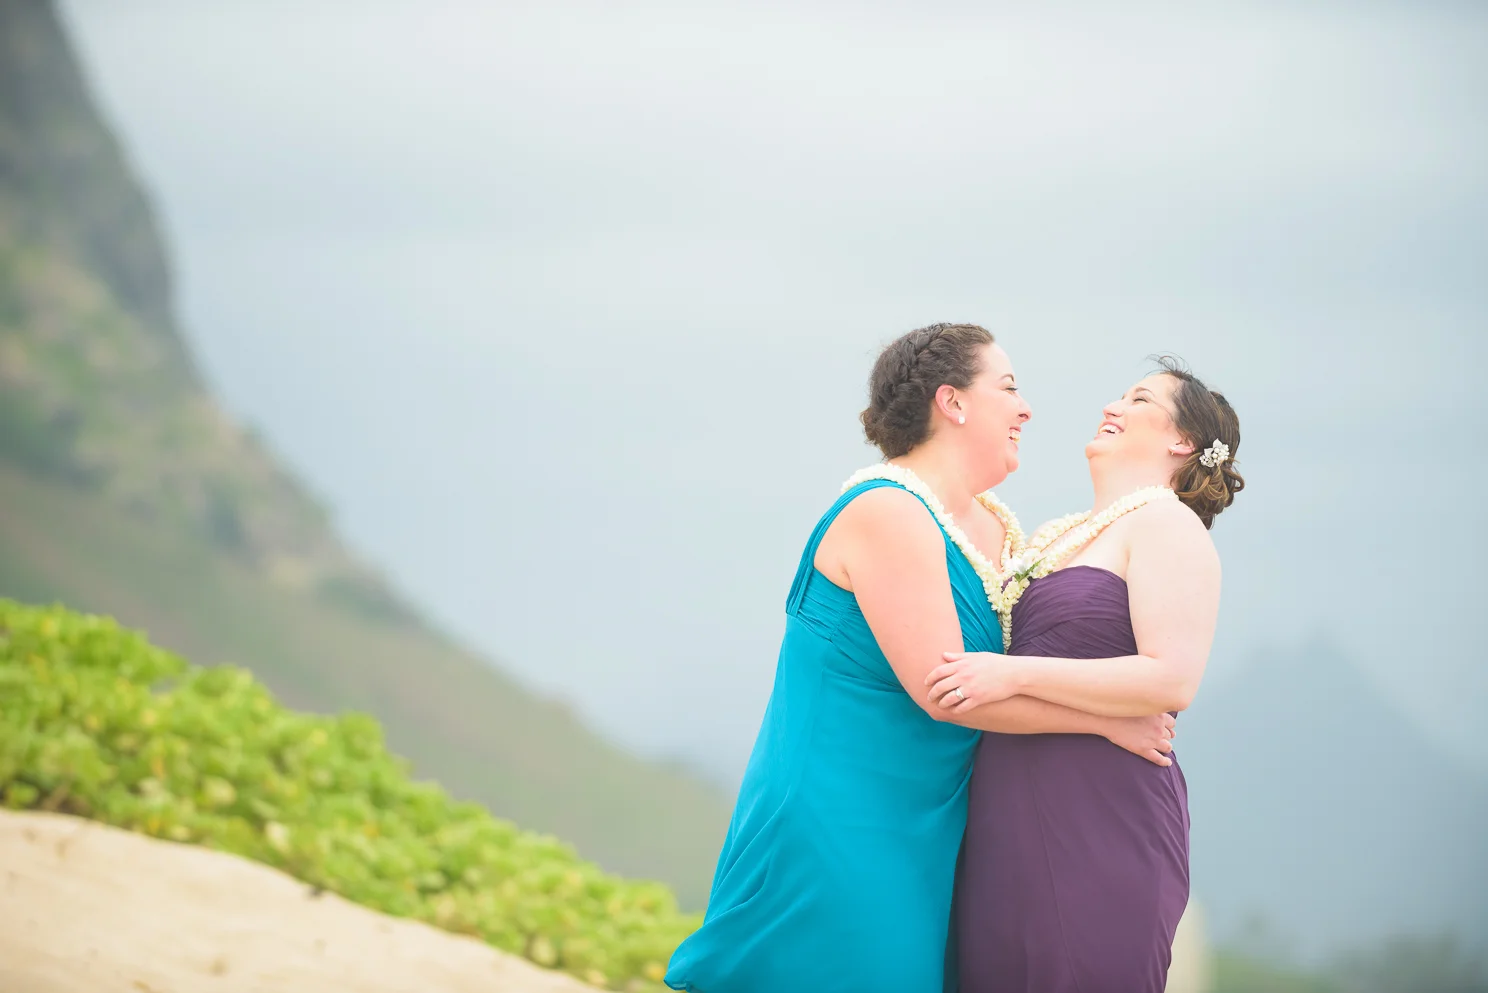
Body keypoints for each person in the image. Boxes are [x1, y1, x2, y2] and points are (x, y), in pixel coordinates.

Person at [665, 324, 1177, 993]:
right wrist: (1104, 721)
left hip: (937, 824)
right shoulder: (889, 509)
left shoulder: (997, 525)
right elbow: (949, 690)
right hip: (844, 816)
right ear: (952, 403)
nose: (1027, 409)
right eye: (1009, 388)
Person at [923, 356, 1244, 993]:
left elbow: (1171, 680)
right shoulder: (1055, 535)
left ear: (1182, 440)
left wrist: (1011, 674)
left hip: (1101, 806)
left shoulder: (1167, 525)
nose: (1112, 406)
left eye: (1139, 399)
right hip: (1004, 806)